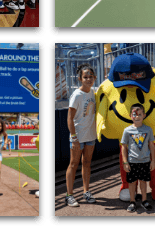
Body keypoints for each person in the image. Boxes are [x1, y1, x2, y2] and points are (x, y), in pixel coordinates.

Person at [66, 64, 97, 207]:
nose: (88, 79)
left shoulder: (93, 93)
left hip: (91, 135)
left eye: (91, 76)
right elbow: (69, 118)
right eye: (85, 77)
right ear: (80, 79)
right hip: (78, 136)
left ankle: (86, 192)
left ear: (94, 78)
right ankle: (69, 195)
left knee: (87, 163)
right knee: (73, 164)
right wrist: (73, 137)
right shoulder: (76, 95)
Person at [121, 103, 155, 212]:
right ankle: (132, 202)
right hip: (132, 162)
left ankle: (144, 200)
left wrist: (153, 161)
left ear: (144, 115)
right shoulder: (127, 131)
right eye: (134, 114)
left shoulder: (148, 130)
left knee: (143, 182)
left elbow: (151, 145)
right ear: (130, 116)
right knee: (132, 182)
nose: (137, 117)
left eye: (139, 114)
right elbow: (123, 147)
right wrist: (125, 162)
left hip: (145, 161)